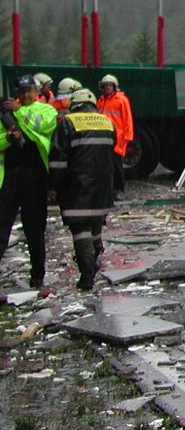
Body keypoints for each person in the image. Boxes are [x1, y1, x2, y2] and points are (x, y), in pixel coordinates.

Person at [48, 88, 115, 291]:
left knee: (80, 230)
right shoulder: (107, 122)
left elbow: (58, 160)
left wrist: (54, 186)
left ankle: (87, 276)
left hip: (77, 185)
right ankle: (95, 257)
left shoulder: (68, 122)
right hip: (103, 186)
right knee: (95, 226)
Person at [0, 75, 59, 289]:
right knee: (2, 228)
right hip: (9, 177)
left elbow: (41, 125)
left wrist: (17, 111)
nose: (25, 96)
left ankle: (37, 277)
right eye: (22, 92)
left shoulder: (46, 110)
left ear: (36, 92)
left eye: (29, 91)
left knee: (35, 230)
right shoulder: (6, 114)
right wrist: (7, 138)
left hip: (35, 177)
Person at [97, 73, 134, 195]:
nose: (108, 87)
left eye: (110, 85)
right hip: (104, 136)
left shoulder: (121, 100)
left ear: (114, 86)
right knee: (105, 165)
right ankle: (108, 189)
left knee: (116, 165)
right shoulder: (101, 100)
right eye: (105, 85)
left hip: (118, 137)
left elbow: (127, 118)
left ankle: (118, 189)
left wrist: (128, 137)